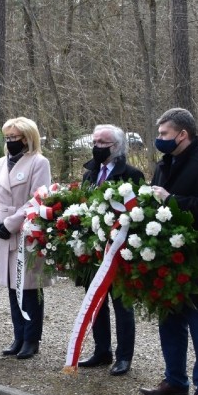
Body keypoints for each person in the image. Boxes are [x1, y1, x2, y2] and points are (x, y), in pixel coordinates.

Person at [140, 108, 198, 395]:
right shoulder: (164, 165)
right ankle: (174, 379)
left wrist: (170, 200)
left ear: (183, 135)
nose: (159, 139)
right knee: (170, 324)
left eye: (164, 134)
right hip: (167, 261)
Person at [77, 124, 144, 375]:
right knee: (95, 301)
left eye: (102, 143)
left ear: (116, 146)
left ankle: (124, 356)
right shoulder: (89, 174)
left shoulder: (132, 175)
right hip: (93, 249)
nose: (96, 147)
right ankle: (101, 350)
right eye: (94, 142)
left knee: (121, 303)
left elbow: (138, 212)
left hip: (119, 249)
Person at [0, 117, 52, 359]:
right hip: (3, 234)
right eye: (7, 138)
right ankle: (18, 335)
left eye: (14, 137)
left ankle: (31, 339)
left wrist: (10, 223)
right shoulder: (2, 163)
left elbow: (39, 198)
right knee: (12, 289)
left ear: (26, 138)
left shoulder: (39, 162)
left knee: (30, 289)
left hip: (26, 233)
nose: (10, 142)